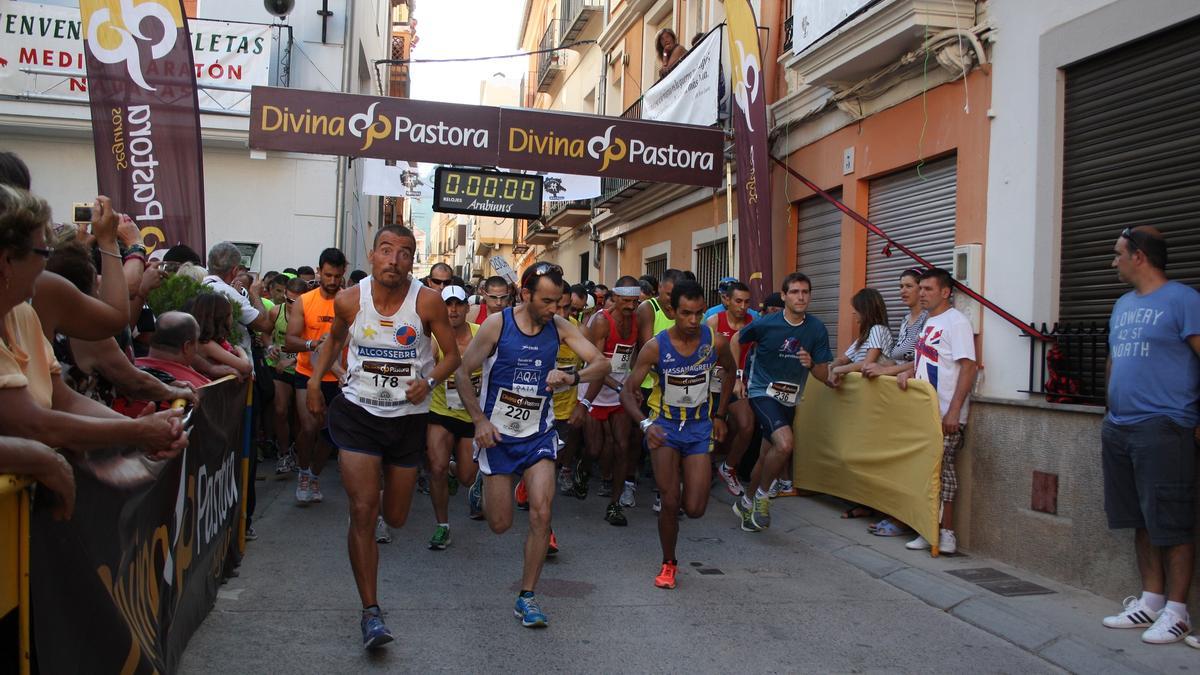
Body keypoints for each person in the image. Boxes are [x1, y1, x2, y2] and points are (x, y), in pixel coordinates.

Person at [305, 225, 461, 649]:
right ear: (372, 255)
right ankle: (371, 612)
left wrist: (427, 382)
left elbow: (454, 356)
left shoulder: (426, 302)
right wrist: (317, 381)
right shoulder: (349, 299)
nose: (395, 259)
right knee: (363, 510)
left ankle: (373, 515)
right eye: (387, 250)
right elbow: (334, 340)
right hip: (359, 413)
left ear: (413, 260)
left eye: (405, 252)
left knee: (395, 517)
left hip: (408, 420)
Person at [455, 262, 609, 628]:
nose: (554, 309)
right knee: (500, 524)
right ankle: (482, 480)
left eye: (559, 302)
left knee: (542, 512)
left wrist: (572, 377)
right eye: (547, 301)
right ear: (525, 294)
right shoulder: (498, 325)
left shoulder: (558, 327)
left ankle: (527, 597)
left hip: (539, 434)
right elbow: (463, 373)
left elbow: (601, 363)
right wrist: (479, 421)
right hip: (498, 435)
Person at [0, 184, 187, 458]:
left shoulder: (24, 314)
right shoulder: (42, 299)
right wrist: (138, 432)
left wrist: (139, 429)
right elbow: (34, 423)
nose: (45, 265)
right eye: (43, 253)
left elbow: (62, 400)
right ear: (7, 260)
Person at [1097, 227, 1200, 645]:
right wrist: (1109, 409)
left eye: (1118, 253)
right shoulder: (1122, 304)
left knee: (1171, 522)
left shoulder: (1184, 300)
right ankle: (1151, 601)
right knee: (1139, 518)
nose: (1113, 261)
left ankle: (1178, 612)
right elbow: (1113, 359)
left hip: (1164, 425)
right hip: (1120, 426)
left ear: (1139, 256)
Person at [622, 280, 735, 589]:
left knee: (695, 508)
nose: (693, 321)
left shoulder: (715, 342)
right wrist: (646, 425)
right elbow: (627, 392)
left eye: (699, 313)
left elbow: (729, 372)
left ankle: (681, 491)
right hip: (665, 429)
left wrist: (721, 415)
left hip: (699, 428)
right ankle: (669, 563)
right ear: (672, 311)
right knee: (670, 502)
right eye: (686, 313)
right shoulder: (656, 346)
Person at [731, 272, 834, 532]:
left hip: (789, 399)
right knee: (786, 444)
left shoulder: (816, 329)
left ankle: (745, 502)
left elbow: (824, 375)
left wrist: (811, 364)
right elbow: (735, 340)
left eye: (805, 292)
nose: (801, 297)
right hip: (762, 392)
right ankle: (763, 497)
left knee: (768, 456)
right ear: (785, 295)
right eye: (795, 292)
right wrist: (737, 377)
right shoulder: (766, 324)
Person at [896, 268, 977, 555]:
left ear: (945, 292)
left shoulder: (956, 322)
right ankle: (926, 528)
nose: (922, 294)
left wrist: (954, 411)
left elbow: (968, 366)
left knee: (943, 474)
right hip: (923, 413)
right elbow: (927, 361)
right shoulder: (929, 322)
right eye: (922, 289)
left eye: (928, 289)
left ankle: (946, 532)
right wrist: (908, 374)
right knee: (924, 473)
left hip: (945, 413)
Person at [285, 248, 347, 504]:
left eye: (337, 276)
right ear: (319, 271)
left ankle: (314, 474)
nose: (332, 282)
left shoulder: (350, 301)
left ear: (343, 273)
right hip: (307, 373)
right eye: (328, 275)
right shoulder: (304, 301)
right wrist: (312, 345)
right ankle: (302, 471)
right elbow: (290, 341)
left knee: (330, 434)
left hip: (338, 378)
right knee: (309, 426)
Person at [424, 283, 482, 548]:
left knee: (467, 477)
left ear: (467, 308)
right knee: (435, 468)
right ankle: (442, 526)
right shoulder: (434, 339)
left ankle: (455, 467)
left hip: (471, 416)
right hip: (440, 411)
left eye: (459, 304)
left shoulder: (481, 335)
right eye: (448, 304)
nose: (454, 310)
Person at [581, 275, 641, 525]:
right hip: (596, 388)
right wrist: (618, 385)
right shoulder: (602, 322)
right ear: (614, 298)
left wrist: (632, 384)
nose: (630, 306)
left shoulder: (636, 320)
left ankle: (614, 505)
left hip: (620, 392)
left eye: (634, 301)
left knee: (622, 446)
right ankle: (580, 469)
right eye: (625, 301)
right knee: (594, 449)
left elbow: (635, 353)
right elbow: (595, 364)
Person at [710, 280, 756, 497]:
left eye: (747, 302)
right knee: (709, 430)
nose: (743, 306)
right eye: (738, 301)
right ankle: (704, 468)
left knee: (746, 426)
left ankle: (728, 467)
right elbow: (700, 355)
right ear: (726, 300)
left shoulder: (754, 323)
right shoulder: (713, 321)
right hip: (713, 384)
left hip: (740, 385)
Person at [202, 242, 273, 356]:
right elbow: (264, 325)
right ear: (235, 271)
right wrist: (254, 293)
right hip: (234, 358)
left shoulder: (198, 285)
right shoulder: (229, 292)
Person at [189, 293, 254, 381]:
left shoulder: (214, 341)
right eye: (230, 314)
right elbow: (246, 367)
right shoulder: (208, 344)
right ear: (221, 318)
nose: (232, 317)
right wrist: (241, 351)